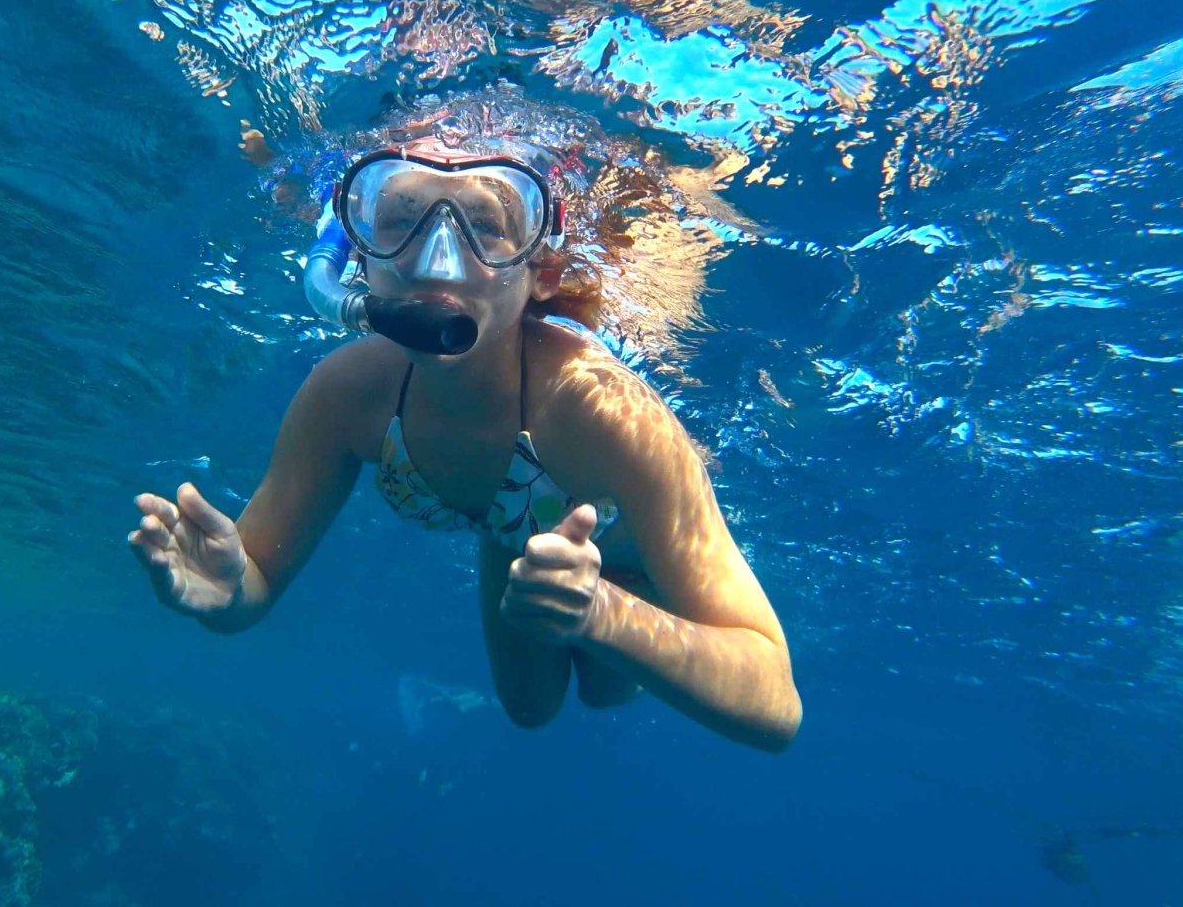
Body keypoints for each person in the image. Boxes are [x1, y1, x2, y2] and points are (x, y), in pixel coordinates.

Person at [128, 123, 801, 753]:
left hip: (620, 558)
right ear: (358, 256)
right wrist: (224, 591)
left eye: (485, 224)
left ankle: (617, 598)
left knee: (602, 688)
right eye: (399, 219)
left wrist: (603, 614)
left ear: (541, 270)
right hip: (517, 538)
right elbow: (255, 578)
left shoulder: (602, 409)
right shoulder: (346, 396)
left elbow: (776, 702)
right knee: (529, 709)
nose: (439, 260)